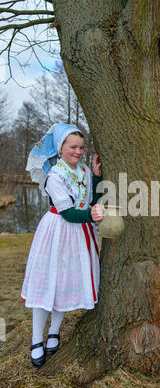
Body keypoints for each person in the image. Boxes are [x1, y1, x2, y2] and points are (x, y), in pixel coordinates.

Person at [21, 123, 104, 368]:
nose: (78, 152)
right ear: (61, 148)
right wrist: (92, 216)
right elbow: (69, 213)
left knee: (65, 283)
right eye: (72, 147)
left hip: (79, 235)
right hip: (57, 231)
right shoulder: (54, 176)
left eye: (81, 147)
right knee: (47, 282)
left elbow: (90, 202)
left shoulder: (85, 171)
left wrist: (97, 178)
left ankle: (54, 331)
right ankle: (37, 339)